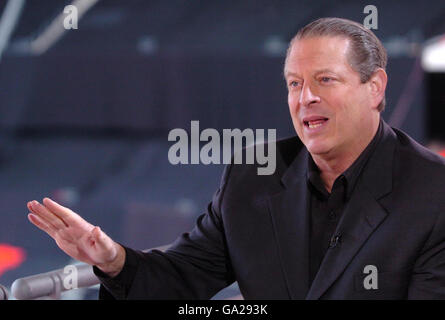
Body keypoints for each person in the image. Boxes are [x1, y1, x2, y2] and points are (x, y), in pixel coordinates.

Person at [27, 17, 445, 299]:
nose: (306, 98)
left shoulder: (434, 193)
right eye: (294, 83)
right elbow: (182, 278)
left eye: (325, 80)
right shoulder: (253, 177)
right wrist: (111, 258)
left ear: (375, 88)